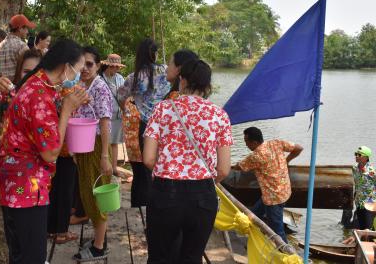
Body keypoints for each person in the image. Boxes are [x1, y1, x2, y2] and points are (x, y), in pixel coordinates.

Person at [0, 39, 88, 263]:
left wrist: (66, 102)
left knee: (19, 255)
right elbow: (51, 153)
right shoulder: (40, 96)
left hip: (13, 184)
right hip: (26, 187)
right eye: (78, 69)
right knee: (32, 257)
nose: (79, 75)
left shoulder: (38, 84)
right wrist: (66, 110)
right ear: (66, 67)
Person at [143, 59, 232, 263]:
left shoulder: (162, 109)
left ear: (182, 80)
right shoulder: (219, 115)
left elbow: (148, 159)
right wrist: (201, 183)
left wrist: (168, 172)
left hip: (165, 192)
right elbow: (224, 170)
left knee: (159, 257)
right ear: (208, 85)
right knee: (192, 258)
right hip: (203, 196)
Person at [118, 38, 171, 207]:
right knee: (157, 168)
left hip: (142, 126)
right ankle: (157, 206)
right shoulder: (165, 71)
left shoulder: (134, 77)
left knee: (140, 170)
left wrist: (131, 108)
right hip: (163, 126)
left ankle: (139, 207)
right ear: (155, 54)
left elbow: (120, 97)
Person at [73, 46, 113, 261]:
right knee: (87, 192)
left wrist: (105, 156)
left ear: (98, 66)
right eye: (82, 64)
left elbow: (106, 123)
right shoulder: (81, 84)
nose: (85, 68)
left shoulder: (100, 88)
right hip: (83, 144)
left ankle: (99, 246)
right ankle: (99, 238)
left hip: (97, 145)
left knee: (98, 193)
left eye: (90, 64)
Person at [234, 127, 303, 243]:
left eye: (246, 141)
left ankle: (286, 256)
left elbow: (239, 167)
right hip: (284, 191)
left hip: (273, 199)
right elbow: (299, 148)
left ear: (254, 142)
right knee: (253, 215)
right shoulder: (276, 143)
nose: (246, 144)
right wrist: (287, 160)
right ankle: (256, 240)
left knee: (278, 232)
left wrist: (232, 166)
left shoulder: (255, 156)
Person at [0, 48, 43, 138]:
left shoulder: (51, 97)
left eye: (36, 72)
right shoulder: (8, 93)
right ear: (19, 72)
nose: (31, 76)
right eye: (26, 72)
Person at [100, 53, 126, 175]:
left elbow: (124, 95)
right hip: (104, 115)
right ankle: (104, 167)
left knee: (114, 142)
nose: (115, 69)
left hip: (117, 115)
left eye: (117, 67)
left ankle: (114, 168)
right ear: (107, 66)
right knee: (103, 142)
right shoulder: (100, 78)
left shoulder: (120, 79)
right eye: (113, 66)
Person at [0, 14, 34, 80]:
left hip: (3, 86)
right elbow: (29, 70)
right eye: (26, 28)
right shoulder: (22, 46)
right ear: (20, 28)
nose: (27, 31)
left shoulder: (0, 45)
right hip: (18, 87)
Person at [352, 146, 376, 230]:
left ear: (366, 157)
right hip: (359, 202)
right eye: (356, 154)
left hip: (369, 203)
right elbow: (356, 183)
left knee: (367, 228)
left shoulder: (371, 171)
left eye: (359, 155)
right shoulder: (354, 168)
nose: (356, 156)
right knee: (361, 227)